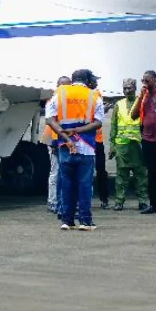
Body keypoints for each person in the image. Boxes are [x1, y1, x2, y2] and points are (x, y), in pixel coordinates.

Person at [46, 69, 104, 231]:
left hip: (65, 146)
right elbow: (98, 122)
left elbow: (49, 119)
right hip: (87, 147)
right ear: (86, 80)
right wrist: (78, 131)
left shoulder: (60, 93)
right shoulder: (94, 96)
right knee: (84, 185)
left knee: (66, 184)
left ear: (73, 79)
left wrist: (66, 137)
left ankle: (67, 220)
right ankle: (85, 221)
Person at [108, 77, 149, 211]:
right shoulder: (118, 104)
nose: (126, 91)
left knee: (141, 175)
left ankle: (143, 200)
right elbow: (113, 125)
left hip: (138, 145)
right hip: (122, 145)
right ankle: (119, 201)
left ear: (135, 88)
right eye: (124, 88)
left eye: (129, 88)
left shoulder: (142, 102)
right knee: (121, 176)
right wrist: (112, 145)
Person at [131, 70, 156, 214]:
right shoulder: (143, 96)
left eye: (147, 80)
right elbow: (133, 115)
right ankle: (154, 204)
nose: (145, 83)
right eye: (143, 80)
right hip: (147, 138)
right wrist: (140, 97)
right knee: (151, 173)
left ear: (154, 79)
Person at [83, 73, 111, 209]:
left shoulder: (97, 94)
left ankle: (104, 198)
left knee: (100, 169)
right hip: (88, 138)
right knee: (86, 170)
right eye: (94, 80)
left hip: (96, 138)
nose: (96, 82)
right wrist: (103, 110)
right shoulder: (87, 95)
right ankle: (90, 198)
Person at [44, 75, 70, 215]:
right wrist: (54, 142)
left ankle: (61, 201)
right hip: (54, 139)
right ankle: (52, 201)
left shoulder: (66, 101)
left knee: (63, 172)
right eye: (62, 86)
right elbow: (52, 122)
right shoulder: (54, 100)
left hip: (62, 139)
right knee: (55, 172)